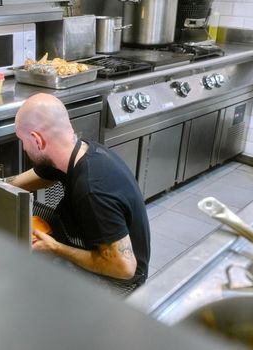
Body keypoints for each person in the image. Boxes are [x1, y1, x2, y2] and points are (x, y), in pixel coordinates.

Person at [10, 93, 151, 292]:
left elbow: (125, 268)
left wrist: (57, 249)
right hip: (94, 243)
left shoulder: (92, 189)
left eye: (22, 141)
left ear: (37, 140)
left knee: (26, 278)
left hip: (119, 279)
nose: (24, 148)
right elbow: (27, 180)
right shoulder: (75, 152)